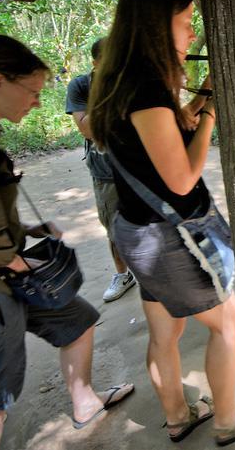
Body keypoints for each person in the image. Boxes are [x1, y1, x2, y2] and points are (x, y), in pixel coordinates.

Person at [0, 35, 133, 450]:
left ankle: (84, 401)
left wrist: (28, 231)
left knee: (77, 320)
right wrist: (18, 264)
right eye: (31, 92)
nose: (35, 103)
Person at [89, 0, 235, 446]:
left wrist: (200, 98)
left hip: (138, 231)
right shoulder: (145, 83)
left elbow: (155, 137)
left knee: (164, 332)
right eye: (185, 22)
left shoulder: (118, 78)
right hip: (172, 235)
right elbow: (181, 178)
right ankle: (227, 421)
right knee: (228, 325)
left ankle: (179, 416)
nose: (192, 32)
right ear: (158, 23)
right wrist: (212, 119)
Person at [66, 38, 136, 302]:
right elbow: (88, 129)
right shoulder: (81, 86)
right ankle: (123, 274)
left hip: (138, 167)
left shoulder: (132, 83)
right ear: (95, 63)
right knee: (114, 226)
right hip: (105, 170)